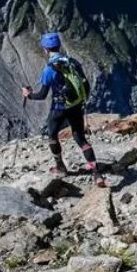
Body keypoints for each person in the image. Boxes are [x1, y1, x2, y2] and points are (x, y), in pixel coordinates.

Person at [22, 32, 104, 187]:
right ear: (59, 46)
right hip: (76, 105)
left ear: (46, 49)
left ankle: (61, 168)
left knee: (52, 135)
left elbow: (42, 95)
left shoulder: (49, 70)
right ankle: (97, 174)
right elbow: (84, 82)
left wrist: (28, 95)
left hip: (59, 107)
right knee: (81, 139)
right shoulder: (73, 62)